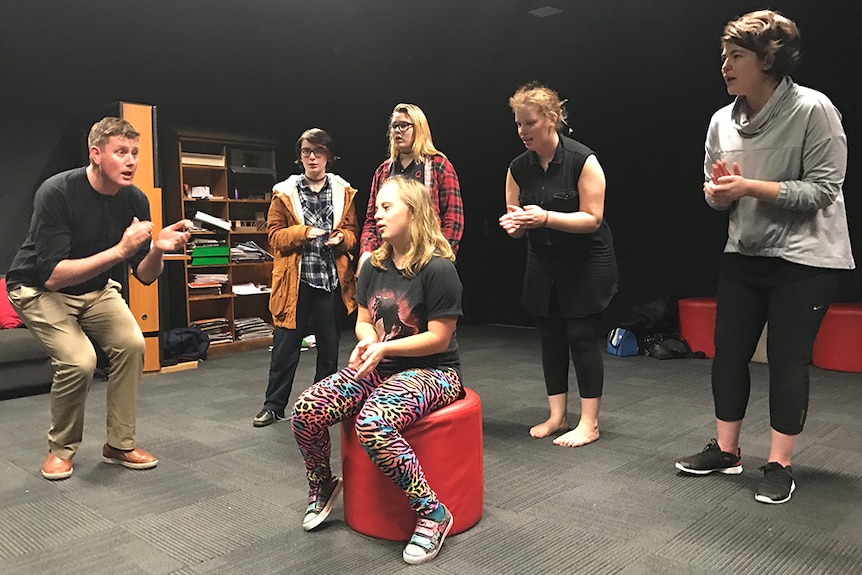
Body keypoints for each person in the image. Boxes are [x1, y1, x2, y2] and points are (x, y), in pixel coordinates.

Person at [675, 10, 854, 504]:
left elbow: (824, 189)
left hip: (807, 257)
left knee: (786, 360)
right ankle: (727, 451)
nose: (725, 67)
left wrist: (750, 185)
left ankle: (779, 462)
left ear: (769, 59)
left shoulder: (813, 109)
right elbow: (713, 193)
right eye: (723, 57)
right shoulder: (721, 119)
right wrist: (722, 194)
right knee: (728, 353)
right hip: (745, 249)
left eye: (736, 57)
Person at [5, 117, 191, 480]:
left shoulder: (135, 199)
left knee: (132, 345)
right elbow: (53, 275)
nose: (131, 161)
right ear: (96, 154)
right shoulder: (57, 192)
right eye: (121, 152)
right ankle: (60, 450)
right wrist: (122, 250)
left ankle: (119, 445)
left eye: (135, 153)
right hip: (37, 288)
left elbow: (145, 276)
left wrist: (158, 250)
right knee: (79, 361)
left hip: (95, 289)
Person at [292, 176, 463, 565]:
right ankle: (323, 484)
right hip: (382, 365)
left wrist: (383, 346)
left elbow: (438, 338)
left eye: (387, 208)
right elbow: (364, 320)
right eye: (378, 208)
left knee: (373, 423)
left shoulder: (439, 269)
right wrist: (369, 341)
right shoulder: (373, 265)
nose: (377, 216)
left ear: (413, 213)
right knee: (306, 411)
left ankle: (433, 513)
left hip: (435, 372)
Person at [499, 83, 618, 447]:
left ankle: (590, 423)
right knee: (550, 339)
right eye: (518, 124)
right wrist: (515, 227)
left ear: (552, 119)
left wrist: (546, 217)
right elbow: (516, 221)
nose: (522, 131)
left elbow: (593, 219)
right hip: (543, 263)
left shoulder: (584, 161)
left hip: (586, 262)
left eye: (529, 123)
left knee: (581, 338)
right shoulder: (518, 168)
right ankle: (556, 416)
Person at [254, 128, 358, 427]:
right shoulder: (284, 192)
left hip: (330, 280)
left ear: (329, 156)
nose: (312, 158)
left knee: (329, 348)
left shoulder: (343, 191)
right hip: (294, 281)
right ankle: (274, 405)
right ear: (300, 158)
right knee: (286, 346)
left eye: (318, 152)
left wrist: (342, 238)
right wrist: (303, 232)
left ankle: (322, 405)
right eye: (306, 152)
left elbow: (354, 233)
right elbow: (273, 236)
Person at [357, 103, 463, 274]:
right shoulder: (383, 171)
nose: (398, 131)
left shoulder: (439, 166)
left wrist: (441, 257)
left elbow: (453, 217)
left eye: (404, 125)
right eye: (394, 126)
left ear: (419, 128)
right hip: (388, 261)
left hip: (427, 259)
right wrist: (367, 252)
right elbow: (371, 219)